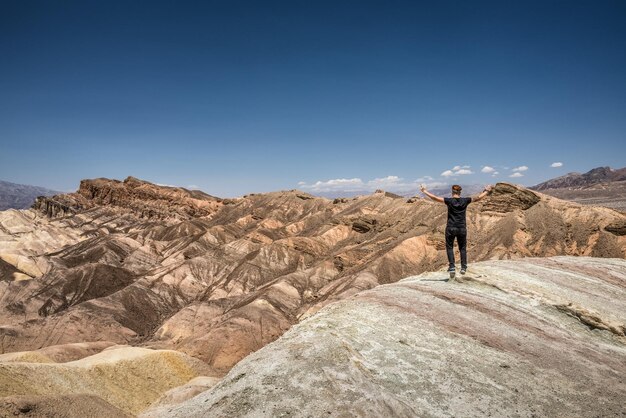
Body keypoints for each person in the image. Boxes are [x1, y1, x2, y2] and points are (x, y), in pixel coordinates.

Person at [420, 183, 493, 280]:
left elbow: (435, 198)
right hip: (462, 228)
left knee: (449, 247)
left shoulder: (449, 201)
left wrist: (424, 191)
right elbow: (478, 198)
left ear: (452, 192)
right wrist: (487, 191)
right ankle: (463, 267)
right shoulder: (465, 200)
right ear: (460, 192)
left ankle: (452, 267)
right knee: (462, 247)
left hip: (451, 227)